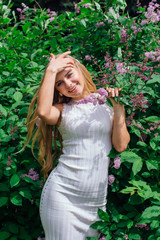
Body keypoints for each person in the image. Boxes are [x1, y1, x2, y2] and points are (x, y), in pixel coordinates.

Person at [25, 51, 130, 240]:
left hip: (95, 204)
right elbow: (42, 111)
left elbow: (121, 145)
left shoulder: (105, 106)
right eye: (60, 83)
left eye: (69, 75)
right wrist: (51, 71)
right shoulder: (62, 111)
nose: (68, 85)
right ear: (57, 90)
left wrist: (119, 107)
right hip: (63, 197)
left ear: (79, 69)